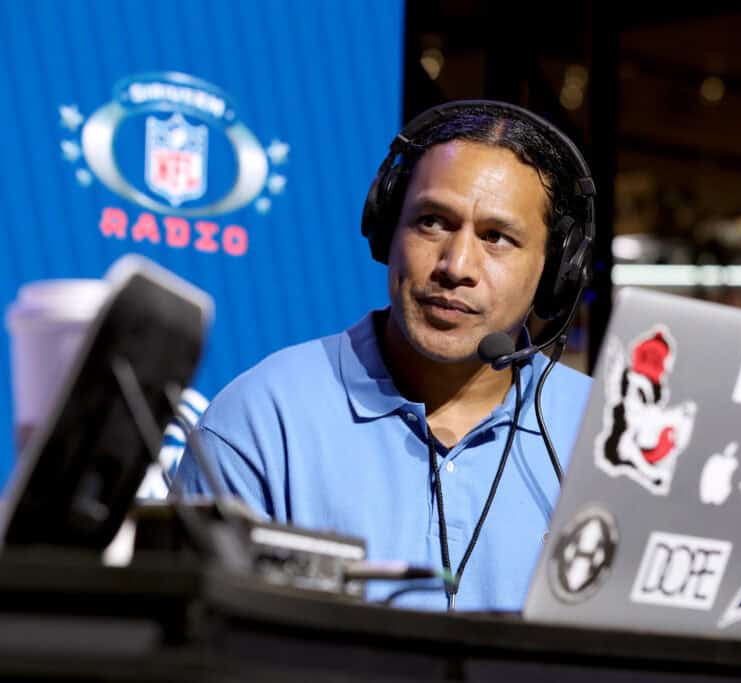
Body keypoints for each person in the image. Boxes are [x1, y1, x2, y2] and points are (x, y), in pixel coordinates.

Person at [173, 100, 596, 612]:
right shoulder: (261, 420)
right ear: (386, 232)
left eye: (497, 238)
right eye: (433, 222)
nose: (456, 265)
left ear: (555, 273)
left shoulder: (602, 438)